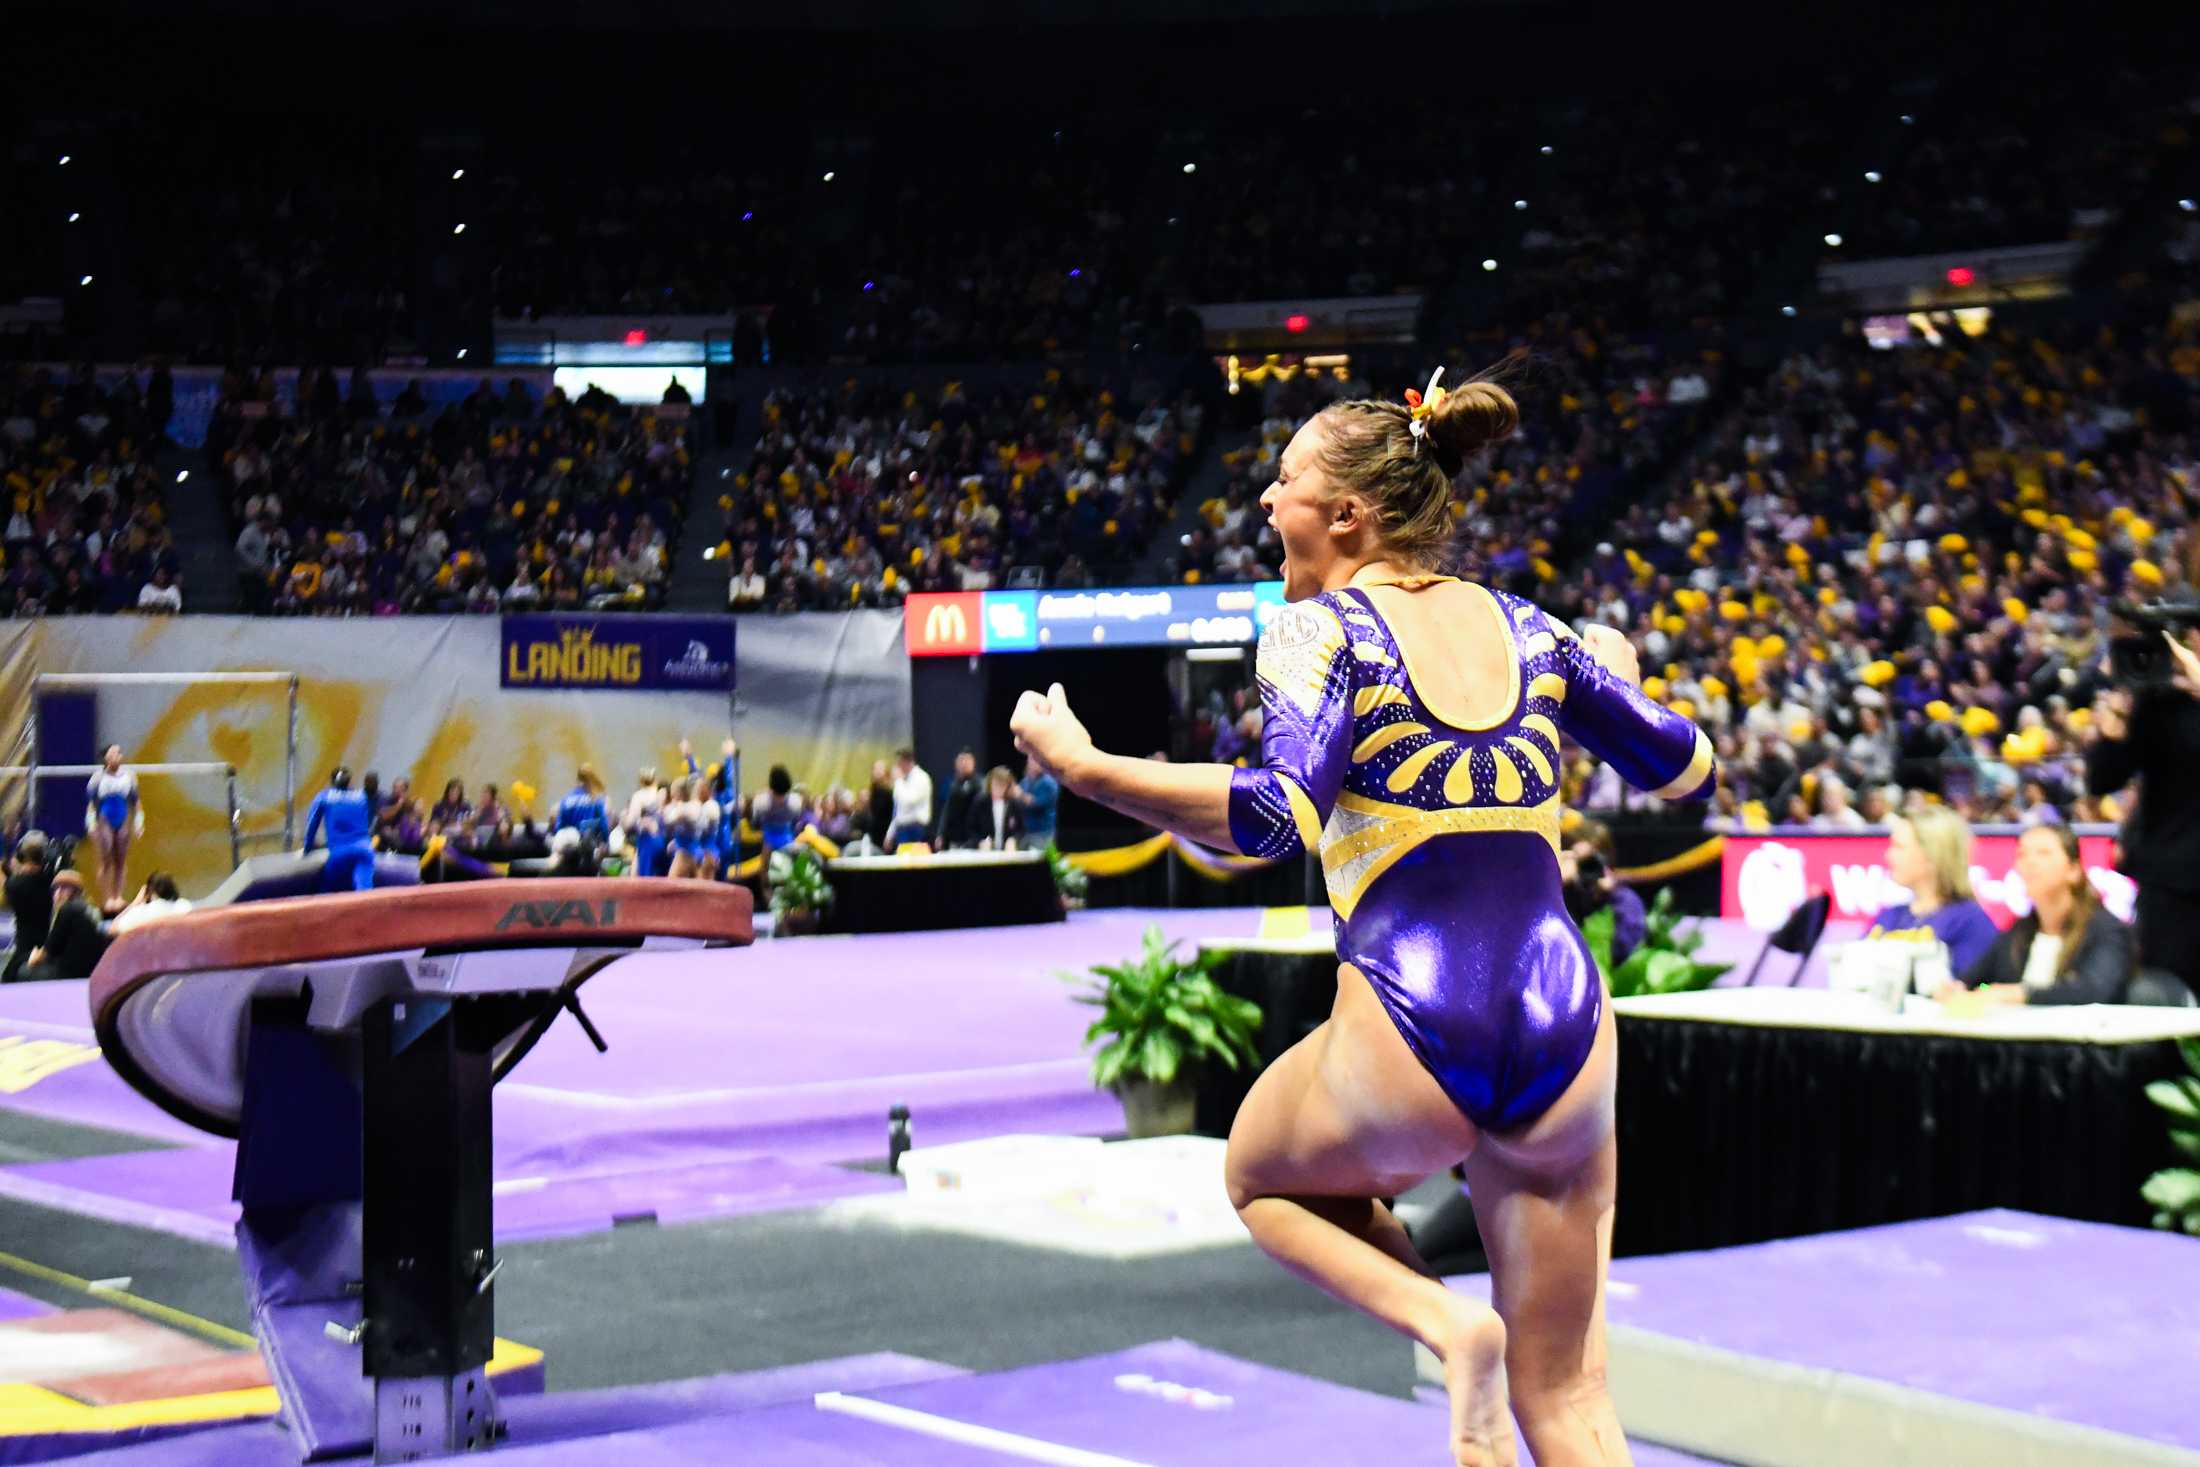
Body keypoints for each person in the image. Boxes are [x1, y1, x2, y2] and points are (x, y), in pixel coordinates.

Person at [1011, 371, 1714, 1467]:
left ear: (1346, 515)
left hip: (1410, 1020)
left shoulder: (1315, 634)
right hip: (1568, 1026)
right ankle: (1479, 1345)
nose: (1263, 504)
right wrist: (1621, 675)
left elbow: (1272, 814)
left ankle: (1445, 1325)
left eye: (1283, 481)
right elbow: (1685, 766)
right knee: (1571, 1396)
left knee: (1258, 1172)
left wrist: (1089, 768)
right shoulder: (1532, 626)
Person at [2087, 630, 2200, 1000]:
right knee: (2159, 997)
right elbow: (2102, 780)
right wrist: (2114, 727)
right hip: (2167, 885)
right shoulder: (2158, 705)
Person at [1948, 823, 2135, 1006]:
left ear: (2074, 870)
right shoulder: (2020, 930)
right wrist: (1961, 988)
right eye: (2022, 854)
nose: (2029, 862)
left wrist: (2020, 995)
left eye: (2043, 853)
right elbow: (1979, 982)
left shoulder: (2105, 929)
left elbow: (2095, 990)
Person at [1864, 806, 2003, 974]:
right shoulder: (1888, 915)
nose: (1888, 855)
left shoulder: (1971, 922)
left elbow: (1981, 988)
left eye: (1898, 846)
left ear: (1932, 855)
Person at [1560, 819, 1645, 966]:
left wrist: (1604, 897)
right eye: (1581, 863)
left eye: (1591, 862)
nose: (1587, 869)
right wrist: (1556, 881)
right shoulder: (1561, 897)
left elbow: (1627, 954)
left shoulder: (1623, 900)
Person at [22, 870, 110, 981]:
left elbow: (48, 952)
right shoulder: (90, 908)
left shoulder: (68, 910)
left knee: (23, 970)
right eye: (56, 889)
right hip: (92, 972)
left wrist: (34, 958)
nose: (58, 893)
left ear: (76, 892)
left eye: (64, 888)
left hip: (71, 975)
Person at [302, 767, 377, 891]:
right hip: (364, 849)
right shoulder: (362, 796)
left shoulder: (324, 797)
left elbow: (312, 825)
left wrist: (307, 847)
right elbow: (368, 819)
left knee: (328, 892)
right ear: (350, 781)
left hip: (339, 853)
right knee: (365, 891)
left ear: (332, 782)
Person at [85, 746, 140, 910]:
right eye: (115, 752)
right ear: (106, 758)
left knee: (121, 860)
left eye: (120, 752)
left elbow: (136, 802)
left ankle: (118, 896)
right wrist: (91, 824)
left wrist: (139, 822)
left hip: (122, 818)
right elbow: (91, 805)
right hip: (105, 819)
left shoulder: (129, 776)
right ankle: (107, 898)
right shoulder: (97, 778)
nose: (119, 755)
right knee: (106, 859)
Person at [2, 834, 54, 984]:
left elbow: (8, 885)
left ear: (21, 857)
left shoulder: (14, 885)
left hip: (24, 947)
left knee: (8, 979)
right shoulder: (50, 879)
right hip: (45, 942)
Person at [109, 872, 193, 935]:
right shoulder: (185, 906)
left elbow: (112, 929)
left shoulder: (141, 912)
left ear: (149, 892)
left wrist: (134, 903)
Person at [965, 766, 1026, 851]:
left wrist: (1014, 840)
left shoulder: (1014, 804)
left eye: (1002, 785)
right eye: (995, 784)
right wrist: (980, 841)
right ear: (990, 784)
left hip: (1007, 852)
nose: (998, 788)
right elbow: (971, 829)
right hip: (985, 851)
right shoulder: (980, 803)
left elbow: (1021, 830)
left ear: (1007, 786)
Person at [623, 768, 668, 878]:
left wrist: (624, 821)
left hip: (647, 840)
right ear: (654, 779)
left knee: (646, 877)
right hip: (663, 838)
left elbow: (631, 821)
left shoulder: (639, 795)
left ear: (641, 781)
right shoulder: (662, 793)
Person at [933, 749, 981, 850]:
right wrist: (940, 834)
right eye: (961, 761)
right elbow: (946, 811)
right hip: (955, 840)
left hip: (974, 840)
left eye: (967, 761)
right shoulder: (953, 786)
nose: (964, 764)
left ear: (973, 762)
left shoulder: (981, 784)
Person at [887, 749, 932, 851]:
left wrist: (898, 781)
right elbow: (898, 809)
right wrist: (890, 833)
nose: (897, 766)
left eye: (899, 763)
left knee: (915, 863)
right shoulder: (902, 781)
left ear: (906, 762)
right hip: (902, 828)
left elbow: (909, 801)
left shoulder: (921, 778)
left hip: (916, 827)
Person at [553, 765, 608, 843]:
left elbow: (558, 828)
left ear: (577, 779)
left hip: (571, 845)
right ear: (591, 780)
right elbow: (603, 826)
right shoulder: (596, 800)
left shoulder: (565, 800)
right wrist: (607, 843)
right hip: (588, 845)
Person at [1018, 754, 1060, 849]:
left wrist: (1019, 795)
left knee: (1042, 861)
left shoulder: (1049, 783)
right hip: (1026, 832)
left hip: (1044, 832)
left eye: (1037, 761)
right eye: (1031, 760)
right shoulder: (1025, 782)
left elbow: (1035, 803)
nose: (1034, 764)